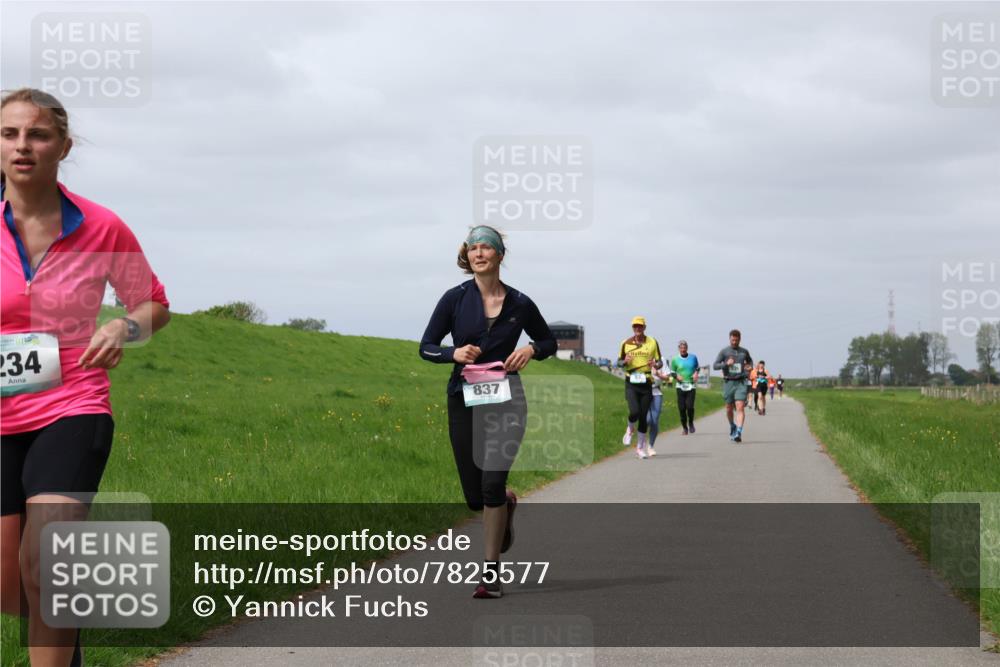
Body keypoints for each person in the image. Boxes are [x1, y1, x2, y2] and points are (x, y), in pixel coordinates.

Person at [1, 88, 171, 666]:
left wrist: (124, 327)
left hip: (72, 402)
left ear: (63, 146)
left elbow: (153, 305)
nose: (23, 145)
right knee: (12, 587)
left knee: (45, 562)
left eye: (38, 134)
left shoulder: (101, 226)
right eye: (10, 134)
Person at [419, 225, 555, 598]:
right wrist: (453, 353)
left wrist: (530, 350)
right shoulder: (454, 299)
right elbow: (426, 346)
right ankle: (505, 507)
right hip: (463, 397)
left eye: (487, 248)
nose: (479, 253)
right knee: (475, 496)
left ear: (499, 255)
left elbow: (548, 340)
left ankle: (490, 574)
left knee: (492, 483)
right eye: (473, 248)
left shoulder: (520, 303)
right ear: (468, 256)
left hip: (506, 397)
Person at [619, 317, 662, 459]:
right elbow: (618, 362)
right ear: (633, 328)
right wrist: (624, 361)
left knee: (643, 417)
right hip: (631, 382)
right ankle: (630, 428)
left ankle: (640, 448)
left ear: (644, 327)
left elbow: (660, 362)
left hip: (646, 383)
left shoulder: (652, 342)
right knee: (635, 411)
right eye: (635, 326)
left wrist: (655, 364)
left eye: (640, 326)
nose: (637, 329)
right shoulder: (625, 343)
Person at [712, 329, 753, 443]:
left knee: (740, 406)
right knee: (729, 408)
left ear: (740, 339)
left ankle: (739, 432)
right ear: (729, 339)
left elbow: (750, 362)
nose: (734, 342)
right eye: (732, 340)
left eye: (736, 340)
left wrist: (749, 367)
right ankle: (732, 425)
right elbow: (715, 366)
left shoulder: (744, 351)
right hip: (728, 382)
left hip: (741, 382)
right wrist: (726, 364)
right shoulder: (724, 351)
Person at [669, 340, 700, 435]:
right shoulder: (675, 359)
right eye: (681, 348)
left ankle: (690, 422)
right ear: (679, 349)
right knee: (682, 408)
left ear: (687, 348)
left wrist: (695, 373)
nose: (683, 349)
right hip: (680, 386)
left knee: (690, 407)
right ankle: (684, 428)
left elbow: (697, 367)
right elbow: (672, 372)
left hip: (691, 386)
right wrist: (676, 376)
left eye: (684, 347)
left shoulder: (693, 357)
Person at [647, 360, 671, 455]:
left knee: (654, 420)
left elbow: (667, 377)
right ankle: (640, 442)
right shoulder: (641, 355)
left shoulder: (662, 360)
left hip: (656, 392)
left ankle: (650, 446)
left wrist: (657, 373)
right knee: (647, 420)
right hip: (643, 392)